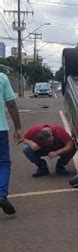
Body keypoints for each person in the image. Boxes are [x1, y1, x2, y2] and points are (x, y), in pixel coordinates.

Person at [0, 73, 22, 215]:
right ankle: (1, 194)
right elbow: (11, 104)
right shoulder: (1, 77)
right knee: (3, 163)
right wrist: (18, 128)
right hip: (0, 130)